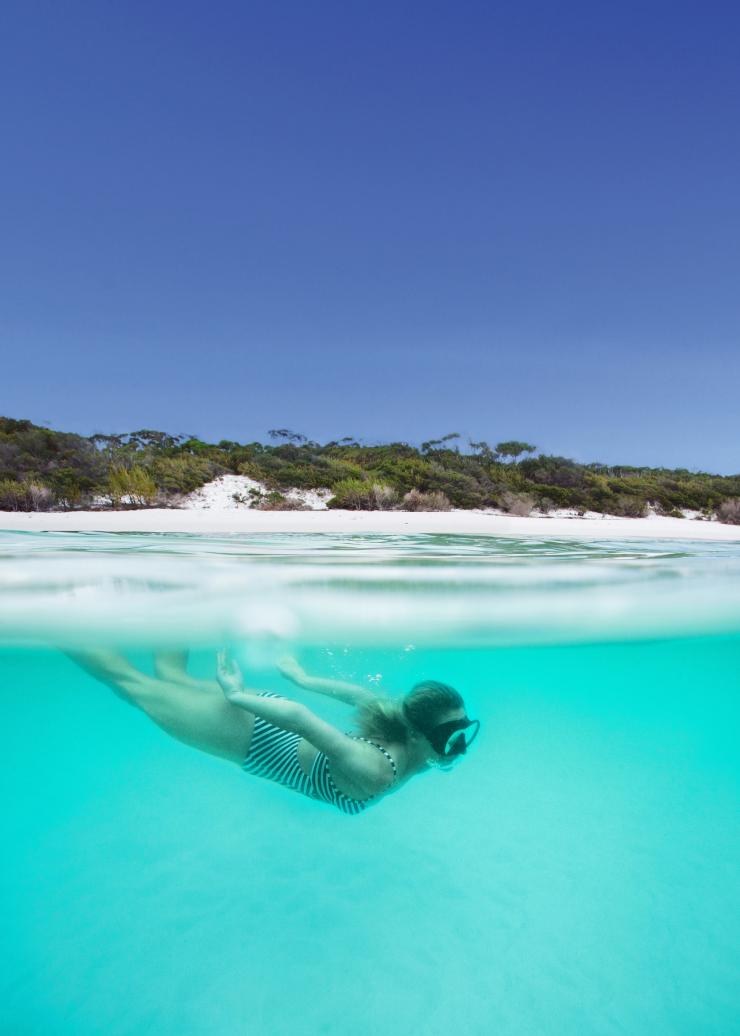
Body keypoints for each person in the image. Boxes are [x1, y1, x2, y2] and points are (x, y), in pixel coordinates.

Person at [66, 649, 480, 816]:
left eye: (463, 731)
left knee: (167, 680)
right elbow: (299, 718)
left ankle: (162, 594)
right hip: (249, 732)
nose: (458, 747)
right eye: (451, 736)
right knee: (129, 684)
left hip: (261, 720)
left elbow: (360, 696)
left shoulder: (420, 748)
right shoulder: (377, 769)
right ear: (415, 734)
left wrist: (301, 676)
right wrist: (236, 695)